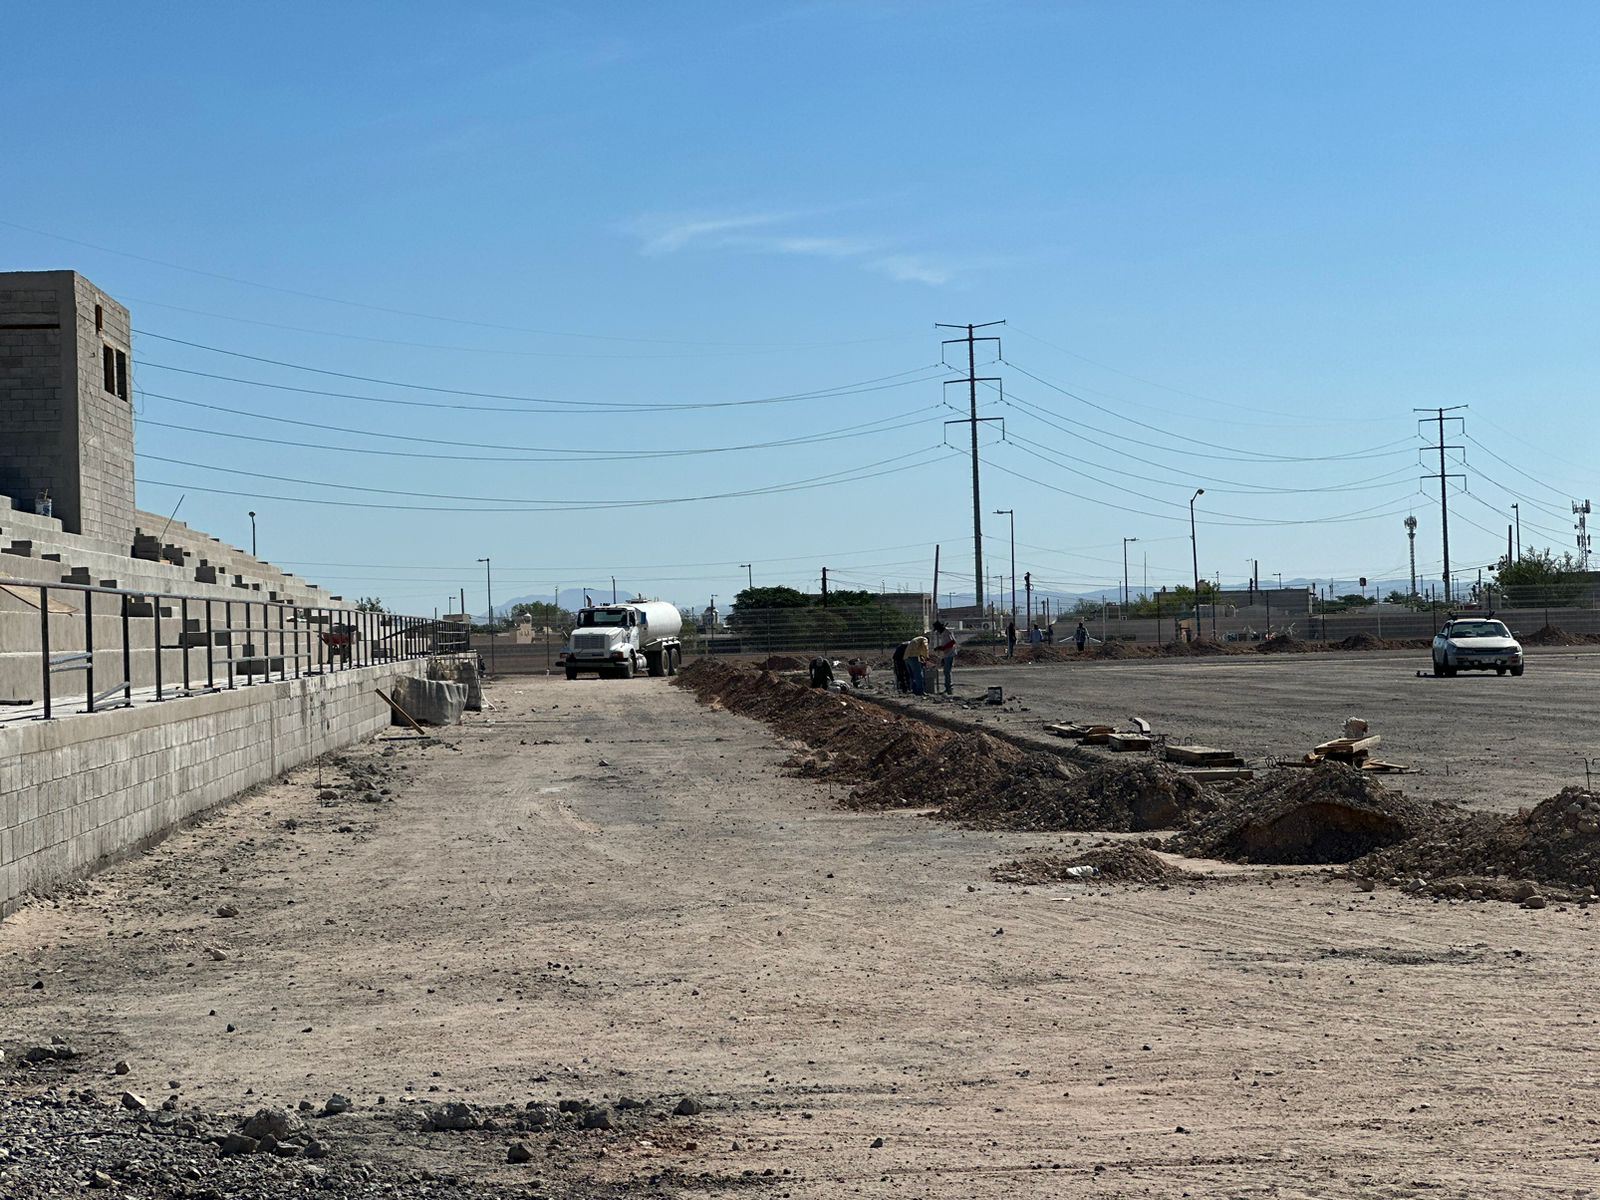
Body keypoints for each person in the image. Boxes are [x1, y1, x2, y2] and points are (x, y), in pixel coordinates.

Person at [932, 621, 958, 695]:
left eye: (937, 629)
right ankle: (948, 688)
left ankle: (949, 688)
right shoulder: (944, 633)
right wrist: (941, 648)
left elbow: (952, 642)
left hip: (950, 654)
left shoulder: (947, 632)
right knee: (946, 671)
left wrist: (942, 648)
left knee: (947, 671)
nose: (938, 631)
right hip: (947, 654)